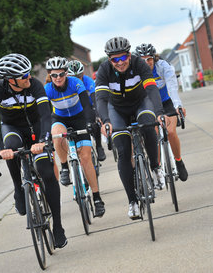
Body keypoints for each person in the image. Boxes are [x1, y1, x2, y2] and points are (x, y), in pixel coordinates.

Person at [0, 53, 67, 248]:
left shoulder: (35, 85)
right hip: (12, 128)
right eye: (23, 76)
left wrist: (42, 141)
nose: (28, 77)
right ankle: (18, 188)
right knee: (11, 147)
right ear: (10, 79)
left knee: (47, 173)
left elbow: (46, 116)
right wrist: (0, 150)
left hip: (37, 127)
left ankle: (58, 227)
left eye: (28, 73)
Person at [95, 36, 166, 220]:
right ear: (109, 60)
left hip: (141, 103)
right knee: (124, 151)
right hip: (117, 109)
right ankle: (132, 202)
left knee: (149, 126)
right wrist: (105, 120)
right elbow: (101, 99)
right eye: (114, 59)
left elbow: (151, 89)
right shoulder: (104, 69)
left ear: (129, 54)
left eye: (123, 57)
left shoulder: (139, 64)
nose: (120, 62)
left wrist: (158, 112)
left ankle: (156, 167)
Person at [44, 56, 105, 218]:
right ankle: (64, 167)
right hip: (60, 118)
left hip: (79, 118)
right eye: (54, 75)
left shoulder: (75, 83)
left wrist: (90, 123)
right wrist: (45, 134)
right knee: (56, 135)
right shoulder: (47, 89)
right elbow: (44, 114)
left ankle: (97, 198)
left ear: (66, 73)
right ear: (50, 75)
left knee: (85, 158)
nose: (58, 78)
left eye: (61, 74)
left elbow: (87, 106)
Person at [135, 43, 188, 181]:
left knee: (170, 132)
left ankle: (178, 161)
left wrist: (178, 106)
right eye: (142, 60)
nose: (146, 63)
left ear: (154, 58)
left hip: (166, 102)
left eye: (149, 59)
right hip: (150, 105)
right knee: (154, 135)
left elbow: (172, 87)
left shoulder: (164, 67)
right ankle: (157, 168)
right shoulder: (136, 72)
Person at [67, 60, 107, 162]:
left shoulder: (88, 81)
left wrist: (98, 115)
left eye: (79, 76)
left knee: (94, 124)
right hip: (75, 110)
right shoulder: (67, 84)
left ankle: (98, 146)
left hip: (88, 106)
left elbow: (95, 98)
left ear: (83, 74)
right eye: (73, 77)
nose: (77, 79)